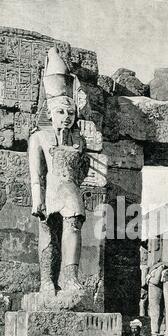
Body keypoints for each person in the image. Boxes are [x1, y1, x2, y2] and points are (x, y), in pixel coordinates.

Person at [28, 46, 89, 293]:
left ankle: (70, 278)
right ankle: (46, 281)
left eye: (70, 113)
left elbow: (83, 169)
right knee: (48, 231)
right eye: (61, 112)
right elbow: (36, 174)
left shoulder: (79, 140)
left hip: (71, 190)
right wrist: (37, 200)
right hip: (50, 190)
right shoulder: (39, 138)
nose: (66, 117)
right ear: (51, 114)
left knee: (73, 226)